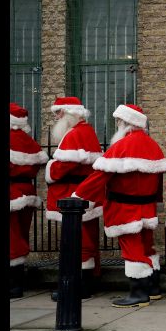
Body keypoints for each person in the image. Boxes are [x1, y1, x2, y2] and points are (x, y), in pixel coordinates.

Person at [73, 104, 166, 307]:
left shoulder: (122, 146)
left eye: (118, 121)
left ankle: (138, 294)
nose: (116, 124)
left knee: (132, 249)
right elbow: (157, 182)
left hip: (125, 208)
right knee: (146, 246)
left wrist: (78, 195)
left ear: (125, 123)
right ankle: (152, 288)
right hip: (146, 207)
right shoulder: (153, 145)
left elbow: (99, 176)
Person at [45, 97, 104, 301]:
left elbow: (63, 166)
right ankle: (87, 282)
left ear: (70, 112)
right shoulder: (85, 131)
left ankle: (80, 287)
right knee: (85, 237)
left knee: (80, 239)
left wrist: (50, 170)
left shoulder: (76, 133)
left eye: (59, 112)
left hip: (75, 194)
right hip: (84, 194)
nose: (57, 117)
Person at [9, 103, 49, 298]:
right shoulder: (27, 140)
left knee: (12, 237)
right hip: (27, 190)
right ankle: (17, 279)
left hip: (11, 192)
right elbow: (40, 161)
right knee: (21, 234)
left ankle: (14, 284)